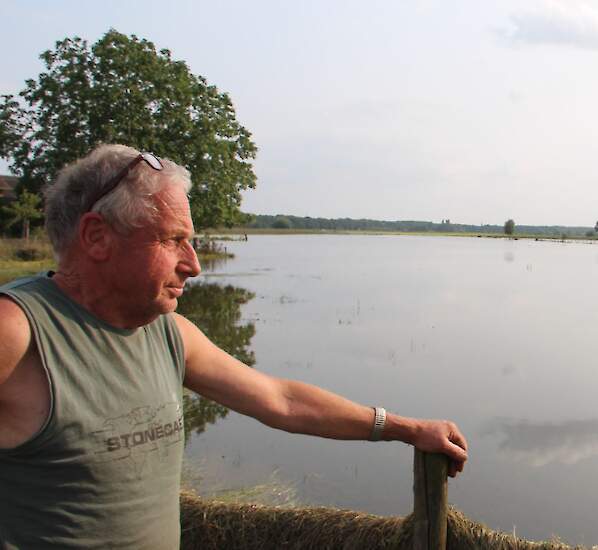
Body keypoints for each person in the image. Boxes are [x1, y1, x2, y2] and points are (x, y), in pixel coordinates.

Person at [0, 144, 469, 549]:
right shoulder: (18, 330)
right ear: (97, 237)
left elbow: (280, 401)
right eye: (174, 240)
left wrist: (407, 429)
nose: (194, 265)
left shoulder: (167, 333)